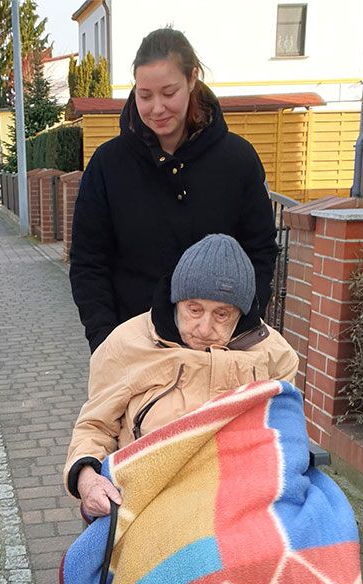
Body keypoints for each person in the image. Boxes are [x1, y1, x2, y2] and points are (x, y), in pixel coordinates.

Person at [64, 234, 338, 584]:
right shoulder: (129, 346)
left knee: (284, 554)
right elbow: (92, 430)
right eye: (194, 311)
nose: (205, 328)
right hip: (162, 501)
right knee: (204, 563)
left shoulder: (273, 354)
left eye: (222, 315)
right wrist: (86, 476)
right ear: (174, 299)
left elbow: (283, 429)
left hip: (247, 494)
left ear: (244, 314)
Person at [70, 27, 278, 354]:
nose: (157, 108)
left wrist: (238, 327)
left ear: (192, 78)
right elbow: (88, 262)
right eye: (145, 95)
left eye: (169, 93)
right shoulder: (108, 164)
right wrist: (106, 342)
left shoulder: (238, 160)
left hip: (220, 352)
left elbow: (260, 251)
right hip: (133, 351)